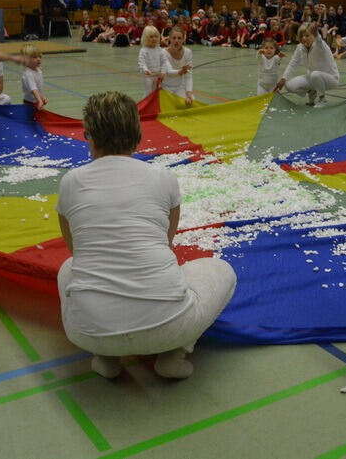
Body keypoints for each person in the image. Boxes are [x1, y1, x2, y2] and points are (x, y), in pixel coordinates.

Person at [56, 92, 237, 379]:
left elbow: (76, 251)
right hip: (169, 327)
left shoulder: (70, 183)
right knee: (223, 271)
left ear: (89, 137)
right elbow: (167, 242)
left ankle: (105, 355)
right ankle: (175, 353)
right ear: (137, 135)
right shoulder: (163, 178)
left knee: (68, 269)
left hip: (87, 332)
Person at [274, 23, 339, 106]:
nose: (304, 38)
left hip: (331, 79)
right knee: (289, 86)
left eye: (307, 35)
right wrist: (283, 78)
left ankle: (322, 99)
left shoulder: (320, 45)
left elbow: (319, 42)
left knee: (315, 75)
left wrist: (317, 34)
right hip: (313, 78)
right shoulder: (300, 47)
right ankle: (312, 91)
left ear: (313, 36)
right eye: (301, 36)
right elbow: (292, 64)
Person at [162, 27, 194, 107]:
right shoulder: (163, 53)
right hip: (165, 88)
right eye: (174, 38)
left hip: (180, 87)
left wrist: (189, 94)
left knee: (190, 105)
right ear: (169, 39)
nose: (176, 40)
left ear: (183, 39)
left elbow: (188, 76)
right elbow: (168, 72)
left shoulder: (188, 52)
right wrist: (180, 71)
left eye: (179, 38)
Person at [138, 25, 166, 97]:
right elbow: (142, 62)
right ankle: (145, 105)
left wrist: (163, 71)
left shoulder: (159, 49)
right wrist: (145, 69)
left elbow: (163, 62)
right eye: (151, 37)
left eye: (156, 36)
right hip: (148, 76)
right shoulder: (144, 50)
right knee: (148, 92)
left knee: (156, 91)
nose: (154, 39)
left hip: (157, 75)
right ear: (146, 38)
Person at [20, 44, 46, 110]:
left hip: (37, 101)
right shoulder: (28, 74)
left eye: (40, 57)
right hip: (30, 103)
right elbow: (33, 89)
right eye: (35, 57)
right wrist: (40, 100)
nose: (38, 59)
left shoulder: (39, 71)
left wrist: (43, 96)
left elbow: (40, 87)